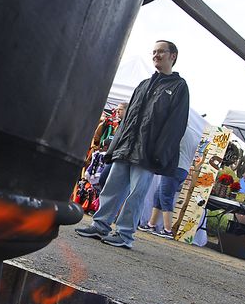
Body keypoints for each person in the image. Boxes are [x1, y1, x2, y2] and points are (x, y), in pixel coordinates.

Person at [75, 40, 189, 248]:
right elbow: (127, 120)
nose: (156, 55)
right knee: (112, 187)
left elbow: (175, 125)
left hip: (148, 152)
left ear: (173, 56)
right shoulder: (144, 84)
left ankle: (125, 235)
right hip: (126, 147)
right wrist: (114, 148)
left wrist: (160, 154)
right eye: (154, 51)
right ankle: (100, 225)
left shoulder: (179, 87)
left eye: (161, 52)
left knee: (136, 194)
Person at [139, 109, 205, 238]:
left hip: (174, 168)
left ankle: (168, 229)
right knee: (159, 195)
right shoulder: (192, 134)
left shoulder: (179, 132)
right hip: (183, 169)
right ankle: (151, 224)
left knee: (165, 197)